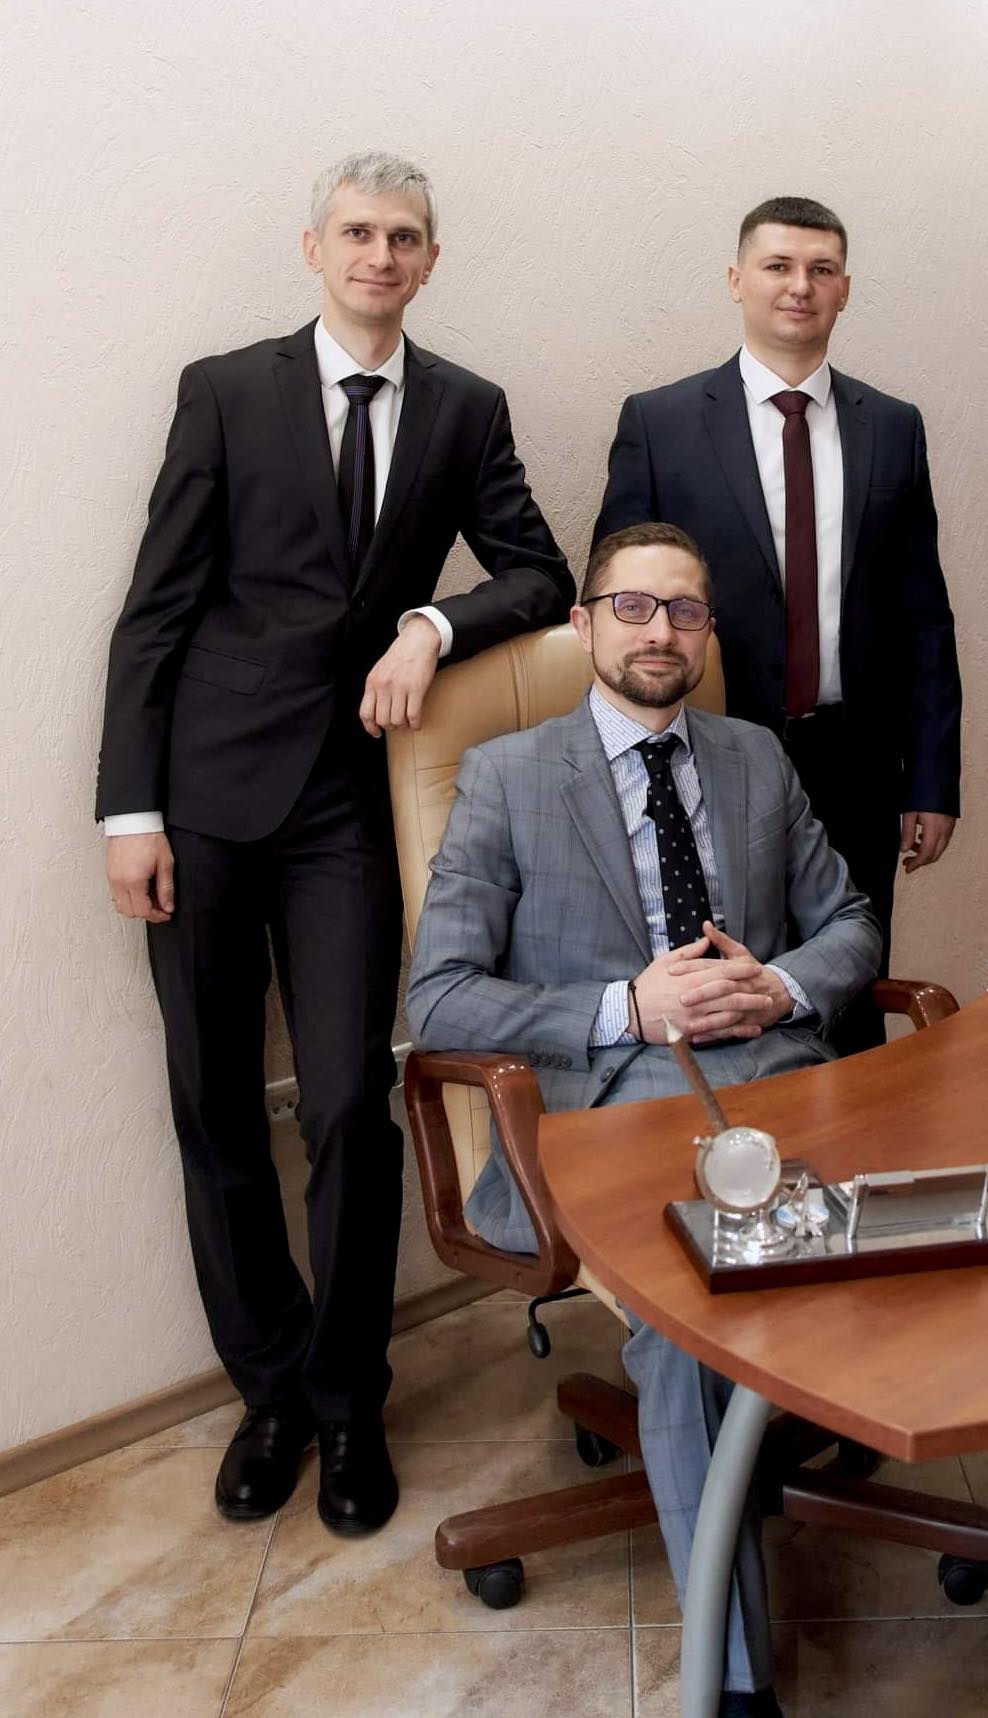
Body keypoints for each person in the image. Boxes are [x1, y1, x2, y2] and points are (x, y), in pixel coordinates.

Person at [407, 524, 988, 1718]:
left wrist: (781, 984)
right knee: (690, 1327)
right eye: (633, 607)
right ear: (584, 623)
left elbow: (853, 924)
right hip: (613, 1110)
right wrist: (627, 1004)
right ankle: (736, 1688)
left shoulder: (754, 757)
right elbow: (438, 996)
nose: (660, 631)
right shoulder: (509, 777)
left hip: (795, 1089)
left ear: (708, 633)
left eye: (684, 611)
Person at [95, 151, 574, 1535]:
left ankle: (350, 1396)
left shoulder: (466, 407)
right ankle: (270, 1394)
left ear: (430, 259)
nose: (380, 254)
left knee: (353, 1102)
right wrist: (130, 810)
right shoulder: (225, 390)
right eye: (357, 231)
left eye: (404, 235)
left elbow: (541, 571)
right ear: (315, 248)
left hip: (346, 810)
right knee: (214, 1103)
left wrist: (431, 624)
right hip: (200, 802)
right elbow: (156, 608)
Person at [593, 196, 961, 1049]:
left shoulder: (892, 427)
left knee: (848, 985)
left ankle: (853, 1134)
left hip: (857, 762)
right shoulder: (661, 422)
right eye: (778, 266)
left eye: (821, 270)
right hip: (706, 755)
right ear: (737, 280)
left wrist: (931, 778)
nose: (800, 286)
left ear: (844, 290)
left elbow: (924, 617)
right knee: (726, 990)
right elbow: (621, 603)